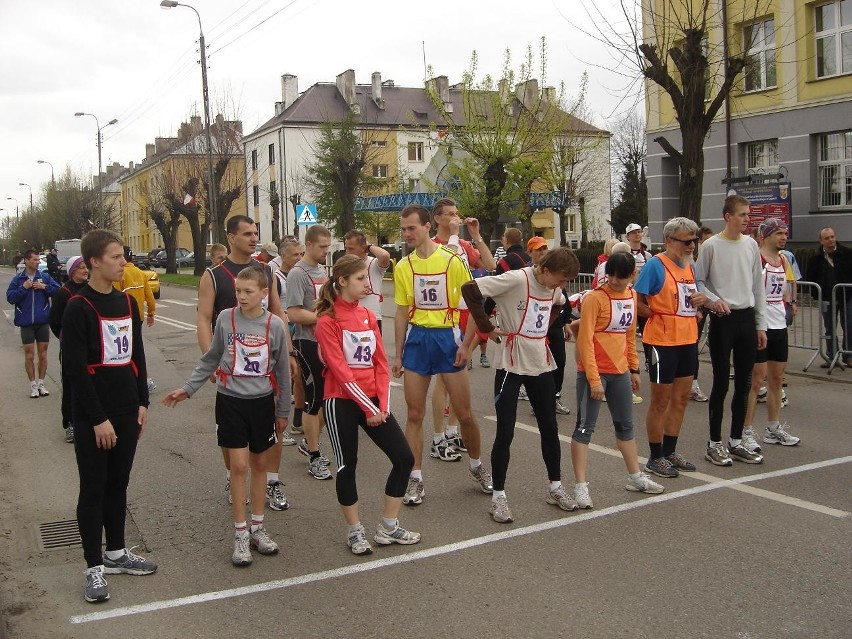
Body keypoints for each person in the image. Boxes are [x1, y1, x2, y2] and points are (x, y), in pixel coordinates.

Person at [164, 266, 291, 566]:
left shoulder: (274, 326)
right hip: (231, 401)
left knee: (260, 463)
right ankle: (240, 533)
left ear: (264, 293)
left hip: (262, 403)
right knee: (238, 465)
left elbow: (283, 372)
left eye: (249, 292)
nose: (242, 297)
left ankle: (258, 528)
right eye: (238, 291)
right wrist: (188, 389)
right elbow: (211, 358)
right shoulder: (226, 318)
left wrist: (283, 411)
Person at [61, 230, 156, 603]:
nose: (123, 262)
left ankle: (116, 552)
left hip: (126, 408)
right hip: (93, 415)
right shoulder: (78, 307)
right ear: (94, 262)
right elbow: (76, 371)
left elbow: (136, 355)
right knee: (94, 488)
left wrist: (142, 402)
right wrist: (97, 418)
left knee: (119, 483)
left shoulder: (127, 303)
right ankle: (93, 566)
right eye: (116, 257)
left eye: (123, 256)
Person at [460, 248, 581, 522]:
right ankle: (498, 497)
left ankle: (555, 487)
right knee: (506, 432)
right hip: (511, 364)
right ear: (546, 270)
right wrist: (486, 327)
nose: (561, 286)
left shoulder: (555, 289)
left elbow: (560, 303)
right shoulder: (516, 279)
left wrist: (549, 325)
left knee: (549, 427)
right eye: (560, 279)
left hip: (539, 362)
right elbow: (469, 289)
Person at [314, 255, 420, 554]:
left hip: (374, 401)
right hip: (341, 401)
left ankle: (388, 526)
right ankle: (355, 531)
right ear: (343, 281)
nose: (367, 283)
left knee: (404, 458)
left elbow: (381, 365)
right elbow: (340, 372)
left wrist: (382, 406)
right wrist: (369, 409)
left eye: (367, 278)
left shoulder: (366, 316)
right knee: (348, 466)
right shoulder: (327, 321)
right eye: (361, 278)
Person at [393, 204, 493, 505]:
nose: (407, 233)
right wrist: (397, 354)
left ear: (426, 227)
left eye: (412, 228)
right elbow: (400, 313)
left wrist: (465, 344)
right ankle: (415, 478)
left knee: (464, 414)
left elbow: (473, 305)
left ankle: (476, 465)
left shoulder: (451, 262)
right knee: (414, 413)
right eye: (404, 229)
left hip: (447, 338)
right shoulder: (403, 267)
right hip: (418, 340)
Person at [196, 215, 293, 510]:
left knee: (275, 421)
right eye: (247, 234)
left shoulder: (266, 272)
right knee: (231, 430)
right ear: (231, 237)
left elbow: (278, 313)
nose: (254, 238)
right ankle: (232, 476)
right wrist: (209, 361)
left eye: (256, 233)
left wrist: (289, 353)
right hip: (232, 367)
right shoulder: (214, 274)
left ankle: (272, 481)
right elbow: (203, 318)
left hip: (266, 366)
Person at [571, 252, 665, 508]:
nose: (614, 280)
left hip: (620, 371)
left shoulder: (632, 296)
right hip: (595, 372)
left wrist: (634, 369)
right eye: (610, 275)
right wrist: (593, 379)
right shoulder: (595, 298)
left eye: (620, 277)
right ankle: (580, 486)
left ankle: (635, 476)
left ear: (631, 276)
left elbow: (628, 335)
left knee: (625, 426)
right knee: (584, 428)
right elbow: (585, 340)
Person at [694, 195, 767, 466]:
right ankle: (714, 442)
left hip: (746, 318)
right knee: (722, 382)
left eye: (748, 214)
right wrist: (714, 300)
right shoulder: (711, 245)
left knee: (745, 382)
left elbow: (757, 287)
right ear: (728, 216)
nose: (747, 219)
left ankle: (736, 440)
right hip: (723, 320)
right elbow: (698, 281)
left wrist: (761, 325)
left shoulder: (750, 245)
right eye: (742, 214)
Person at [634, 217, 708, 479]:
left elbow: (692, 296)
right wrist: (654, 314)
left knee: (681, 398)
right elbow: (637, 298)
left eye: (694, 241)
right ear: (669, 241)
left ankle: (670, 450)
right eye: (687, 241)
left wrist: (699, 302)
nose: (692, 246)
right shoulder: (656, 265)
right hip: (661, 342)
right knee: (661, 400)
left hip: (687, 339)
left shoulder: (691, 266)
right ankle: (655, 457)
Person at [427, 198, 496, 453]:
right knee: (443, 381)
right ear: (438, 219)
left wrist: (476, 236)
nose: (456, 218)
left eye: (457, 213)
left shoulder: (465, 244)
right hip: (445, 316)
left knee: (459, 379)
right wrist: (455, 235)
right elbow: (447, 265)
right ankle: (437, 437)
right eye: (450, 214)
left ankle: (453, 430)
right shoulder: (432, 246)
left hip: (466, 313)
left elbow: (489, 266)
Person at [742, 218, 801, 451]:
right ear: (765, 236)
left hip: (778, 324)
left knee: (776, 379)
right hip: (760, 323)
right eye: (778, 233)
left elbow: (786, 287)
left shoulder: (784, 259)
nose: (783, 237)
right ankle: (745, 431)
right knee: (756, 381)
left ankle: (773, 427)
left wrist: (789, 306)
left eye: (785, 233)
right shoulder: (757, 258)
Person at [286, 224, 334, 480]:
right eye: (323, 247)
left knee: (328, 401)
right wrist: (324, 318)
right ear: (310, 245)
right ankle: (314, 456)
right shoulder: (297, 274)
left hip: (326, 344)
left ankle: (309, 443)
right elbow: (293, 313)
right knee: (314, 401)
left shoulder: (322, 272)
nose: (327, 251)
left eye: (328, 246)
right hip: (307, 343)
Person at [6, 248, 59, 398]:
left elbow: (59, 291)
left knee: (43, 354)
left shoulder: (44, 276)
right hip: (26, 323)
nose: (37, 262)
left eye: (38, 260)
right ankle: (33, 385)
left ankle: (42, 383)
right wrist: (24, 288)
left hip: (42, 321)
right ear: (26, 260)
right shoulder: (18, 280)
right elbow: (10, 298)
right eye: (34, 260)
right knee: (29, 356)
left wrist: (45, 287)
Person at [49, 255, 89, 443]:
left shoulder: (90, 289)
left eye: (86, 267)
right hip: (71, 348)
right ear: (72, 270)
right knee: (71, 384)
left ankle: (90, 419)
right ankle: (70, 423)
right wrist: (68, 339)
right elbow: (55, 322)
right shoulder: (63, 293)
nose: (85, 270)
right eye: (80, 267)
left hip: (91, 347)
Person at [806, 228, 852, 367]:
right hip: (826, 297)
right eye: (827, 238)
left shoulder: (847, 253)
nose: (831, 240)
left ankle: (848, 355)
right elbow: (811, 278)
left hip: (847, 296)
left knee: (849, 325)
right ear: (821, 241)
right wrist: (816, 295)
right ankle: (832, 357)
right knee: (829, 328)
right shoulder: (816, 258)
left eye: (832, 236)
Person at [116, 247, 156, 391]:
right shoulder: (140, 273)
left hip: (123, 318)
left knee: (125, 350)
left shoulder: (120, 274)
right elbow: (150, 297)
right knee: (137, 349)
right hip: (138, 317)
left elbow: (115, 296)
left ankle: (140, 380)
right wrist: (151, 313)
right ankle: (146, 379)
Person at [343, 229, 392, 333]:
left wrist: (369, 246)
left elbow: (384, 256)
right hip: (350, 316)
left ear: (362, 248)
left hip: (372, 316)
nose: (347, 252)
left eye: (351, 249)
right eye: (346, 248)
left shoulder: (374, 264)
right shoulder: (345, 266)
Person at [690, 227, 715, 402]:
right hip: (698, 307)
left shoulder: (714, 257)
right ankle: (692, 383)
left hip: (714, 304)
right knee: (693, 344)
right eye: (704, 241)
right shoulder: (691, 261)